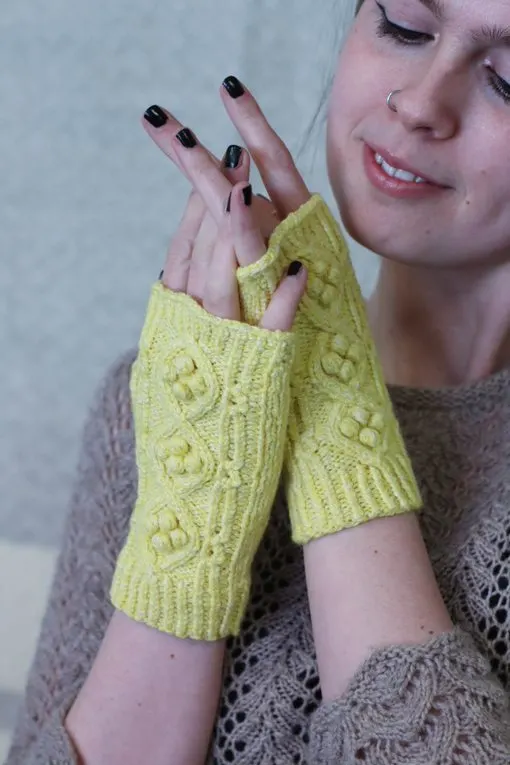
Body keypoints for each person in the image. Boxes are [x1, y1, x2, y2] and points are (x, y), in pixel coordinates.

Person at [7, 0, 510, 761]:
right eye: (404, 24)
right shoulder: (166, 400)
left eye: (507, 79)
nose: (420, 103)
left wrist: (337, 412)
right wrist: (194, 509)